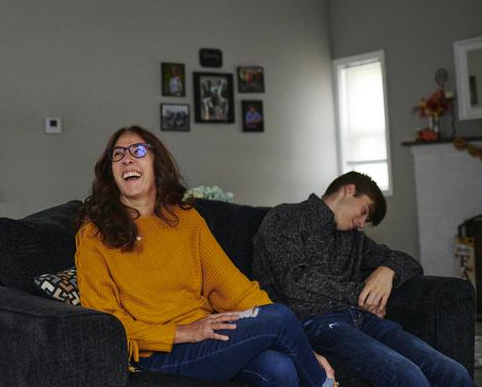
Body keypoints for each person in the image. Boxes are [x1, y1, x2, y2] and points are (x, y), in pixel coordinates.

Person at [75, 125, 335, 386]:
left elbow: (233, 288)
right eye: (117, 154)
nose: (127, 159)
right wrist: (180, 333)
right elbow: (106, 325)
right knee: (279, 318)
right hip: (157, 354)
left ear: (157, 162)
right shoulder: (94, 235)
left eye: (138, 150)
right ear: (111, 171)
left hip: (205, 335)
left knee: (279, 367)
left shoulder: (186, 219)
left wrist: (307, 352)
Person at [252, 172, 474, 386]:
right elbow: (295, 281)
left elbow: (411, 263)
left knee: (453, 372)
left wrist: (388, 270)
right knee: (408, 376)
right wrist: (362, 294)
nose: (361, 223)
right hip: (312, 323)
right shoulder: (285, 217)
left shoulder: (355, 240)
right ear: (349, 190)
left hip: (362, 319)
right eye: (363, 211)